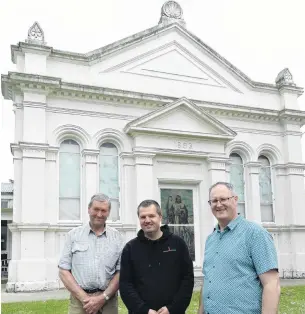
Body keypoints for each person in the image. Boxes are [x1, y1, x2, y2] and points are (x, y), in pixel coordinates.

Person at [198, 182, 281, 314]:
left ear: (235, 200)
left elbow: (271, 284)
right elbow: (208, 280)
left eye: (223, 199)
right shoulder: (211, 239)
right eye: (214, 201)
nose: (218, 204)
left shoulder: (255, 234)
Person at [120, 199, 194, 314]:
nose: (147, 220)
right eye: (143, 217)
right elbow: (125, 285)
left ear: (160, 217)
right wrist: (144, 310)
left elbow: (187, 279)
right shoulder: (130, 248)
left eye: (151, 216)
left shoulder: (178, 244)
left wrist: (172, 309)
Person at [58, 193, 123, 314]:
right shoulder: (73, 235)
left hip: (108, 301)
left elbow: (121, 272)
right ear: (89, 209)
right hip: (79, 301)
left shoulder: (117, 238)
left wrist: (103, 297)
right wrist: (85, 298)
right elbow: (63, 270)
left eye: (103, 210)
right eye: (96, 209)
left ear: (108, 212)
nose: (99, 214)